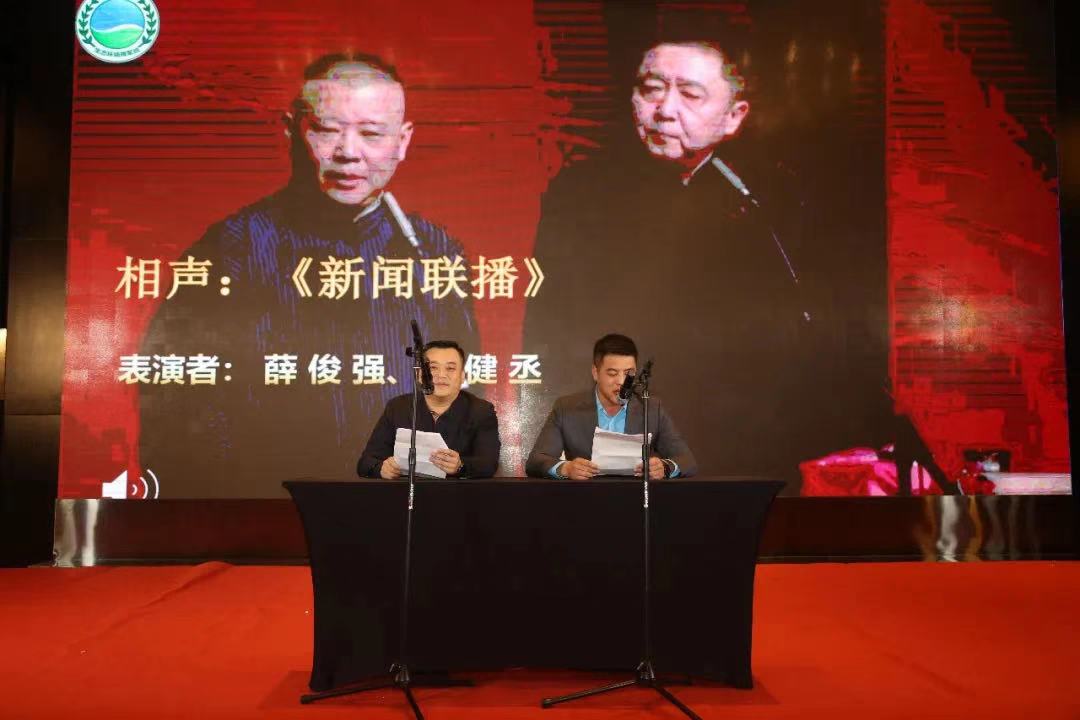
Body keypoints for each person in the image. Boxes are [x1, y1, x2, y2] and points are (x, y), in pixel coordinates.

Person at [521, 40, 896, 493]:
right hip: (616, 436)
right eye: (651, 89)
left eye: (690, 94)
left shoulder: (769, 199)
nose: (664, 110)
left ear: (734, 116)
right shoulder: (581, 190)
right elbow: (552, 323)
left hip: (744, 435)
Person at [138, 52, 478, 497]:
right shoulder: (234, 245)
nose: (348, 153)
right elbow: (175, 397)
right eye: (326, 129)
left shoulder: (433, 250)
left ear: (402, 140)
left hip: (404, 500)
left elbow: (464, 392)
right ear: (291, 130)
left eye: (372, 133)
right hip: (268, 500)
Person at [526, 334, 696, 480]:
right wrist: (566, 468)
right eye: (612, 373)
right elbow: (536, 461)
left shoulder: (650, 408)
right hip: (585, 499)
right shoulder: (567, 408)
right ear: (595, 372)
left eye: (628, 374)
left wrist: (665, 468)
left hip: (636, 500)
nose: (621, 382)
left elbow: (687, 460)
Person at [357, 340, 500, 479]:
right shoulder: (398, 407)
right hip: (406, 492)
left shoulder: (480, 411)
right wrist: (381, 468)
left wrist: (461, 466)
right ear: (419, 374)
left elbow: (488, 464)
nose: (441, 375)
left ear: (463, 376)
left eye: (450, 368)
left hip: (457, 493)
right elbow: (366, 463)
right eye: (433, 368)